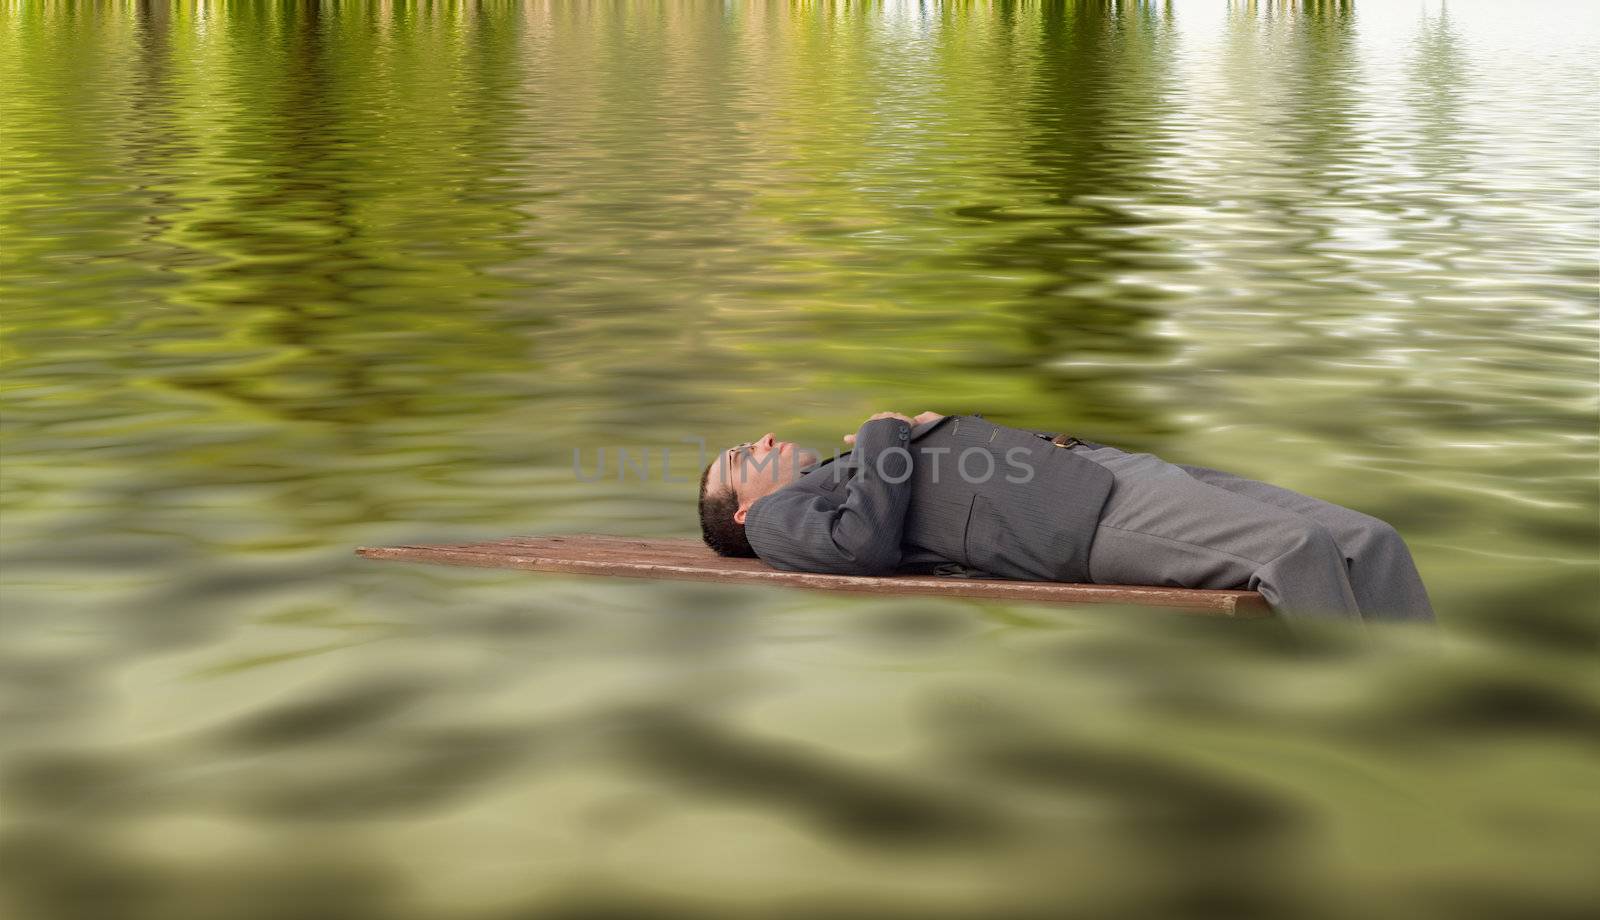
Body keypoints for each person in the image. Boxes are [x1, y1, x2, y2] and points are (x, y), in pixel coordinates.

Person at [697, 411, 1435, 625]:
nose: (758, 440)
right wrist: (888, 429)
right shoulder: (775, 521)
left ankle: (1435, 729)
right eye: (739, 456)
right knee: (1297, 551)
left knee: (1369, 540)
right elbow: (860, 548)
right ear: (746, 507)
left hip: (1103, 473)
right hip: (1082, 516)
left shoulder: (829, 477)